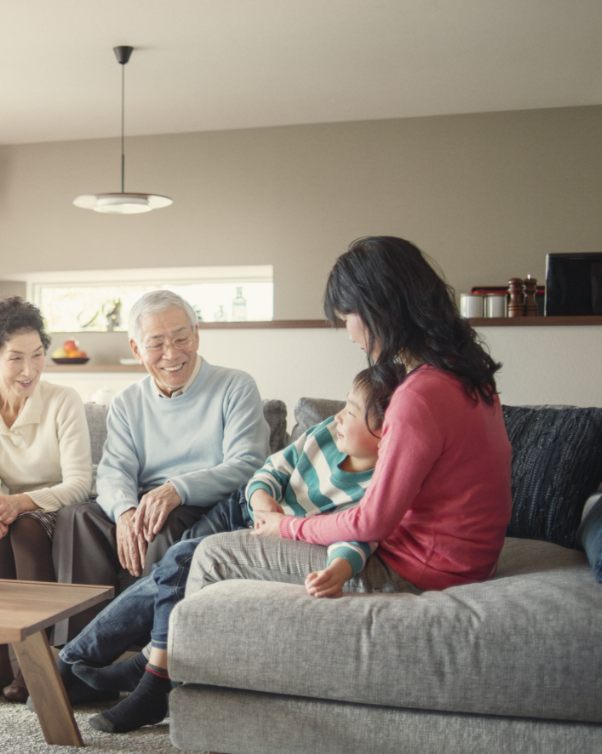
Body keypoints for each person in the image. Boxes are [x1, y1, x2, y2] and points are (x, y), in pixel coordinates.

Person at [185, 235, 513, 714]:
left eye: (347, 319)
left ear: (379, 307)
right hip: (467, 559)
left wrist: (285, 527)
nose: (351, 335)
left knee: (213, 555)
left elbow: (371, 524)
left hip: (422, 569)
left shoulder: (419, 396)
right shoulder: (469, 375)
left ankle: (195, 697)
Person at [69, 366, 388, 733]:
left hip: (272, 542)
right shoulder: (326, 434)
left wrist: (338, 570)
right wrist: (263, 498)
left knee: (181, 560)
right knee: (171, 571)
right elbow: (270, 468)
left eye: (350, 411)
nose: (338, 416)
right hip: (242, 506)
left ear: (384, 432)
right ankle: (125, 666)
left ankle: (131, 674)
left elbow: (357, 537)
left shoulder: (378, 485)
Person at [51, 289, 270, 641]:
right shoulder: (127, 402)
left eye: (181, 338)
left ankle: (153, 653)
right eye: (156, 344)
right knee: (75, 517)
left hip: (202, 506)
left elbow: (248, 465)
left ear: (196, 336)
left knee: (162, 523)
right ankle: (73, 652)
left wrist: (176, 490)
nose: (171, 354)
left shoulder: (235, 386)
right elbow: (113, 471)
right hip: (144, 503)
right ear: (137, 350)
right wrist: (124, 512)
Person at [0, 295, 93, 703]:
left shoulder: (62, 401)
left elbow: (79, 483)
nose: (29, 369)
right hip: (8, 509)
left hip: (59, 509)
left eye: (37, 355)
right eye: (15, 358)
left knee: (25, 527)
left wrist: (18, 504)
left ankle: (35, 664)